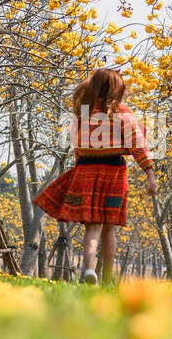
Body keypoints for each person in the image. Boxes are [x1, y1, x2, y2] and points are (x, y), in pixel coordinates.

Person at [34, 68, 157, 283]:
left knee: (92, 226)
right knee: (109, 228)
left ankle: (89, 270)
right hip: (114, 173)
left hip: (86, 171)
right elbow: (138, 145)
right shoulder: (123, 114)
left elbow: (76, 146)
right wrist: (150, 174)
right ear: (116, 88)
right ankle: (108, 278)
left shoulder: (81, 114)